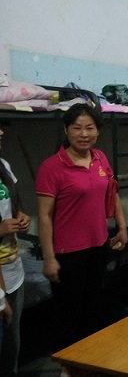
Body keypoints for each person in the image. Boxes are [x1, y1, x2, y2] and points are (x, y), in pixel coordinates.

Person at [36, 103, 128, 351]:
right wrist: (49, 258)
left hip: (98, 244)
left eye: (90, 128)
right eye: (77, 128)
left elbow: (112, 193)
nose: (84, 134)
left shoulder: (100, 158)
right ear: (66, 130)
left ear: (97, 131)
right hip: (68, 252)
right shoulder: (51, 167)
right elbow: (44, 216)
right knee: (68, 315)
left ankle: (91, 359)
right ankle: (68, 364)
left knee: (94, 308)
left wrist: (121, 227)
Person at [0, 129, 31, 376]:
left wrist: (21, 216)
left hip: (13, 269)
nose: (1, 131)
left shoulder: (4, 165)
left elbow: (14, 206)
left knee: (12, 346)